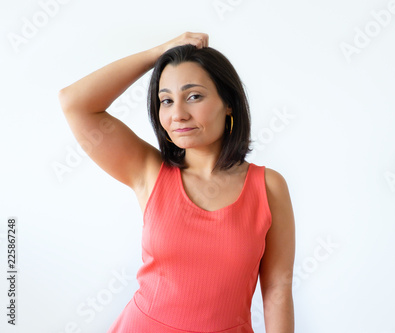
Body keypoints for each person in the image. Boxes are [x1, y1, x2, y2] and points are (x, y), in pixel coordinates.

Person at [58, 32, 295, 333]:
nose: (178, 114)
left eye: (194, 96)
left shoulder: (268, 187)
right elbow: (75, 103)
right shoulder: (148, 171)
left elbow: (277, 288)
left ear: (229, 103)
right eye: (166, 100)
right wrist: (157, 53)